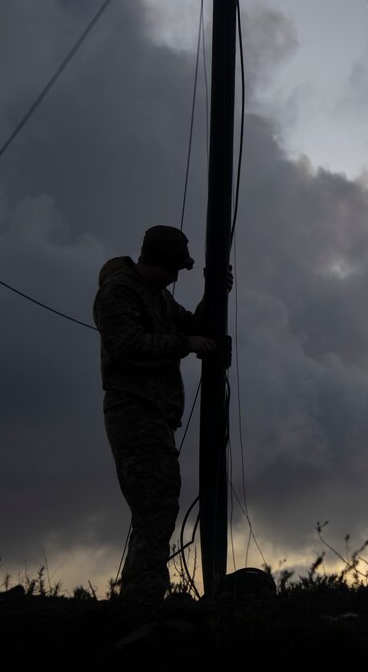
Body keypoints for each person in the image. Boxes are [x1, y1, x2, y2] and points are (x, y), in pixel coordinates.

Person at [93, 225, 220, 604]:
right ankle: (142, 599)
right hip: (133, 409)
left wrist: (216, 292)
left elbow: (193, 328)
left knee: (158, 502)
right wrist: (184, 344)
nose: (176, 276)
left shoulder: (157, 296)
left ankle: (140, 595)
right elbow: (126, 344)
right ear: (156, 261)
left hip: (154, 414)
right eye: (173, 268)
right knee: (155, 504)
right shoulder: (119, 292)